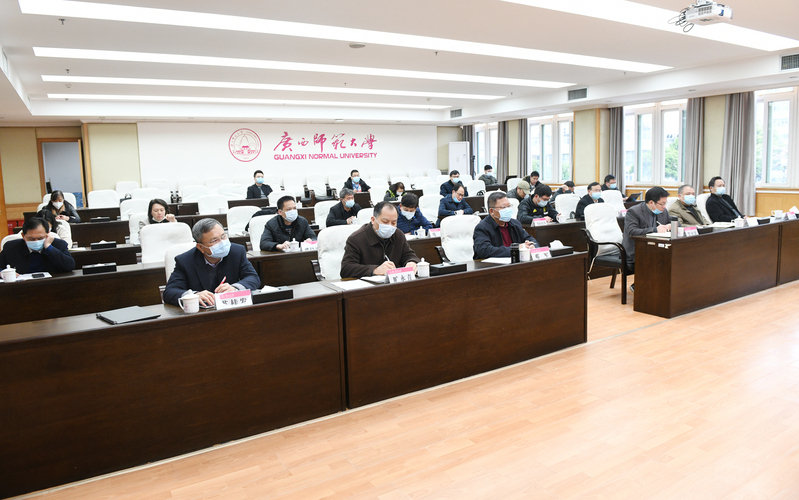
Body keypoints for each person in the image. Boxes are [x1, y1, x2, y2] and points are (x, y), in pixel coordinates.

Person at [163, 218, 260, 307]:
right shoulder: (185, 261)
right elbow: (169, 292)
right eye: (215, 240)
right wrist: (194, 295)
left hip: (230, 308)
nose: (222, 242)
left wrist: (235, 288)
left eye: (223, 236)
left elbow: (253, 278)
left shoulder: (236, 252)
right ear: (200, 247)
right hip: (202, 313)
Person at [340, 201, 420, 279]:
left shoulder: (398, 235)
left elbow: (409, 255)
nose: (389, 226)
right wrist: (375, 270)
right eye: (385, 222)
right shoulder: (356, 239)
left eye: (393, 223)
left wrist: (412, 262)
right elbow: (346, 269)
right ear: (373, 220)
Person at [623, 187, 673, 274]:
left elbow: (676, 223)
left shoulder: (663, 211)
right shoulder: (634, 212)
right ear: (651, 203)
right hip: (637, 250)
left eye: (665, 204)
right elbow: (632, 232)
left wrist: (669, 226)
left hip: (656, 248)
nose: (664, 207)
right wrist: (655, 230)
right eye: (662, 204)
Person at [473, 192, 538, 259]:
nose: (508, 210)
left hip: (514, 262)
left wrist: (532, 246)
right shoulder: (482, 228)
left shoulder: (515, 223)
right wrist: (516, 249)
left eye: (509, 206)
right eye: (503, 207)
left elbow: (530, 238)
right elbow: (484, 250)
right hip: (491, 264)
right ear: (492, 211)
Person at [0, 217, 75, 274]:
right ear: (23, 236)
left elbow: (69, 266)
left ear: (48, 234)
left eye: (40, 238)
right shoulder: (11, 247)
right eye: (31, 239)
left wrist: (49, 247)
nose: (36, 241)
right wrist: (2, 273)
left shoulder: (58, 244)